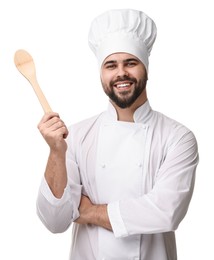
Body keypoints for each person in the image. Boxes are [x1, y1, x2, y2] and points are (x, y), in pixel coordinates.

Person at [36, 9, 199, 260]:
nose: (121, 73)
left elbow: (166, 211)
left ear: (145, 68)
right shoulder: (77, 136)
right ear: (102, 73)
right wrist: (56, 152)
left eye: (130, 63)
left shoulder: (177, 137)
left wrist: (87, 211)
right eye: (111, 65)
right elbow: (55, 221)